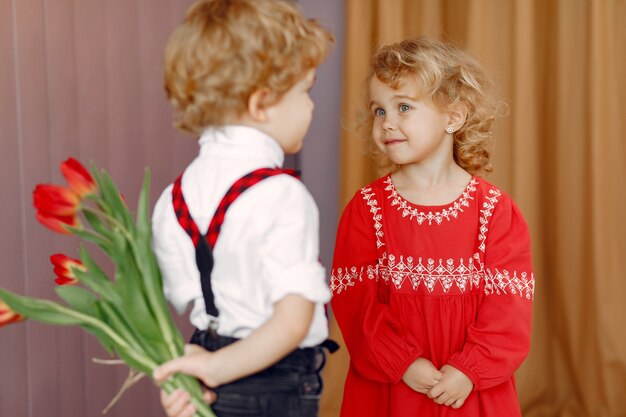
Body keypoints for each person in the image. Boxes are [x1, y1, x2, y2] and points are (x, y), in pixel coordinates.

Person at [330, 37, 535, 417]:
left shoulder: (495, 211)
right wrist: (403, 362)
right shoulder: (366, 209)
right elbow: (356, 305)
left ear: (453, 117)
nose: (387, 122)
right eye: (378, 111)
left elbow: (509, 310)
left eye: (403, 107)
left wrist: (468, 370)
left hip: (469, 391)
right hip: (391, 390)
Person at [150, 1, 334, 416]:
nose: (311, 106)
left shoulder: (172, 199)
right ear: (261, 103)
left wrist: (196, 371)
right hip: (273, 385)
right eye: (305, 91)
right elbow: (293, 322)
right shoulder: (281, 194)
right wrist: (216, 368)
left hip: (209, 382)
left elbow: (196, 306)